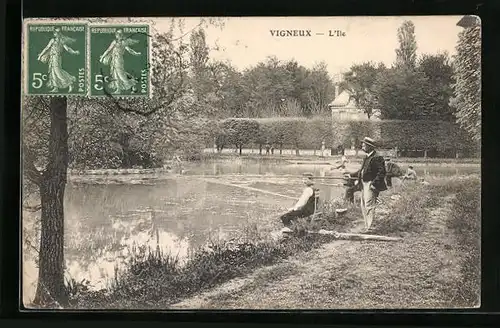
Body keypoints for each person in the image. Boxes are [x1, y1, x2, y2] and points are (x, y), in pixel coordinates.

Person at [347, 137, 387, 233]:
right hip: (363, 184)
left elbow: (381, 173)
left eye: (364, 145)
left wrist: (374, 184)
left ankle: (370, 227)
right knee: (363, 205)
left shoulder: (377, 157)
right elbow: (362, 171)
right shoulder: (367, 157)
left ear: (369, 147)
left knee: (369, 205)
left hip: (370, 184)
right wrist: (351, 175)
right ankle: (367, 226)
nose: (362, 146)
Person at [37, 28, 80, 93]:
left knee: (58, 71)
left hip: (57, 57)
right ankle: (55, 88)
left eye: (58, 32)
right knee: (53, 72)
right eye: (56, 32)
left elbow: (67, 49)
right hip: (52, 57)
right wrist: (40, 55)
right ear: (54, 34)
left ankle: (70, 83)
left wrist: (74, 52)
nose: (57, 34)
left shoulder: (62, 41)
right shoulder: (52, 40)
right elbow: (47, 48)